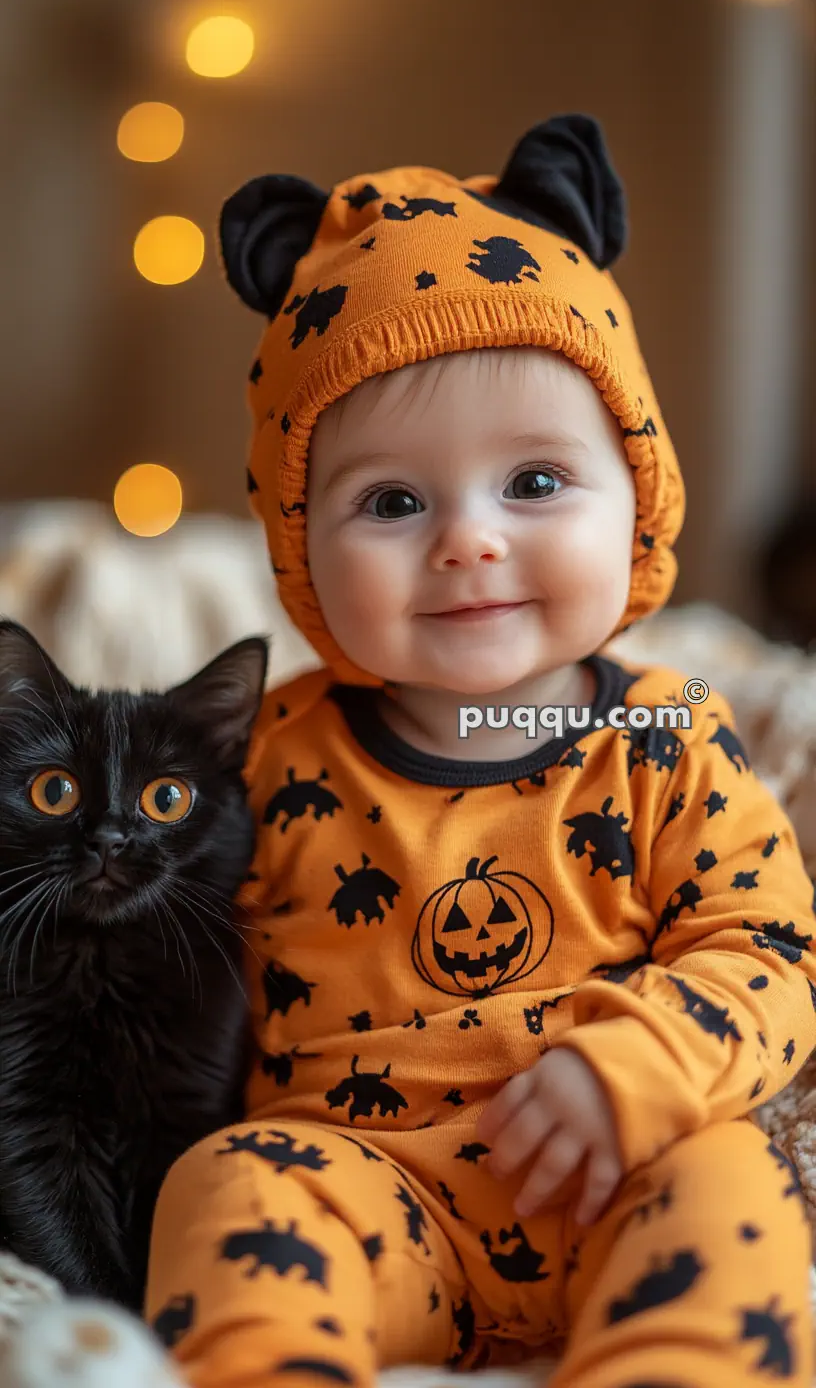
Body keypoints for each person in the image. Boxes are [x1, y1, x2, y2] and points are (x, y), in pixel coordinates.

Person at [143, 115, 816, 1387]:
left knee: (736, 1185)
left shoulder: (667, 738)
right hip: (365, 1180)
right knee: (224, 1186)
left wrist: (644, 1061)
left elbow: (774, 945)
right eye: (392, 502)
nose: (469, 541)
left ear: (639, 500)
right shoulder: (271, 751)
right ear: (299, 547)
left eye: (536, 483)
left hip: (623, 1160)